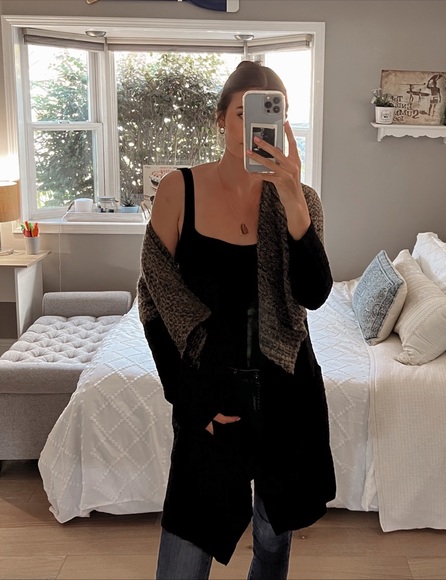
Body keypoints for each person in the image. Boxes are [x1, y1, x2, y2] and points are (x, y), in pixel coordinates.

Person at [137, 60, 336, 580]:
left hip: (286, 394)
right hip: (211, 392)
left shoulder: (302, 200)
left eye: (270, 115)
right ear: (220, 117)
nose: (255, 127)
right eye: (243, 114)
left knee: (272, 543)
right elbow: (155, 305)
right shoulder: (179, 189)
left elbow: (314, 296)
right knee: (185, 552)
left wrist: (293, 202)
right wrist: (194, 400)